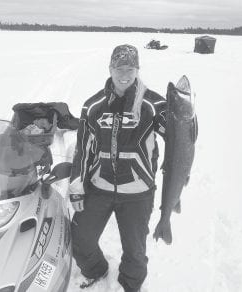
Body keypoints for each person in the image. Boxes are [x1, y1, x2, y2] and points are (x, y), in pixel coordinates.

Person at [69, 44, 168, 292]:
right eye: (119, 68)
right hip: (99, 187)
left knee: (135, 251)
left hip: (138, 192)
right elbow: (82, 150)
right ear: (110, 68)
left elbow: (179, 133)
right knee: (80, 238)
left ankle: (129, 285)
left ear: (138, 70)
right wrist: (77, 186)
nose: (125, 74)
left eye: (130, 68)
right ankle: (96, 270)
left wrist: (184, 114)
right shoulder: (93, 105)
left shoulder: (154, 103)